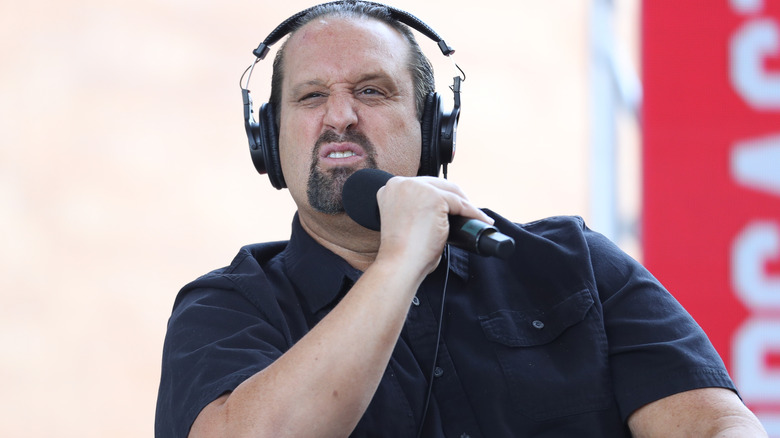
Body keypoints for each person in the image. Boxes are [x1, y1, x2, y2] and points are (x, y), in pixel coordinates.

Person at [155, 1, 768, 437]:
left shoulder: (572, 262)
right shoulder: (226, 309)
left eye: (371, 90)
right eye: (312, 96)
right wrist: (399, 261)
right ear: (268, 138)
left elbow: (716, 425)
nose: (339, 115)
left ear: (433, 128)